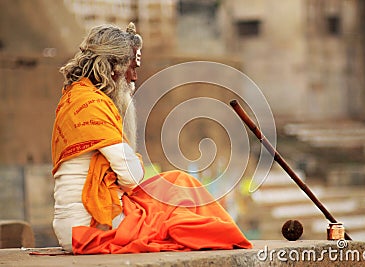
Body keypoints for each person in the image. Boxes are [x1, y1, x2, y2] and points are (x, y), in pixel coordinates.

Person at [51, 22, 252, 254]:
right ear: (114, 67)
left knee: (177, 185)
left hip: (77, 226)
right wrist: (133, 163)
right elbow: (132, 176)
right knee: (179, 191)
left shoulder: (75, 98)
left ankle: (222, 231)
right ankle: (225, 233)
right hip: (92, 227)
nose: (134, 77)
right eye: (132, 67)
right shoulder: (91, 105)